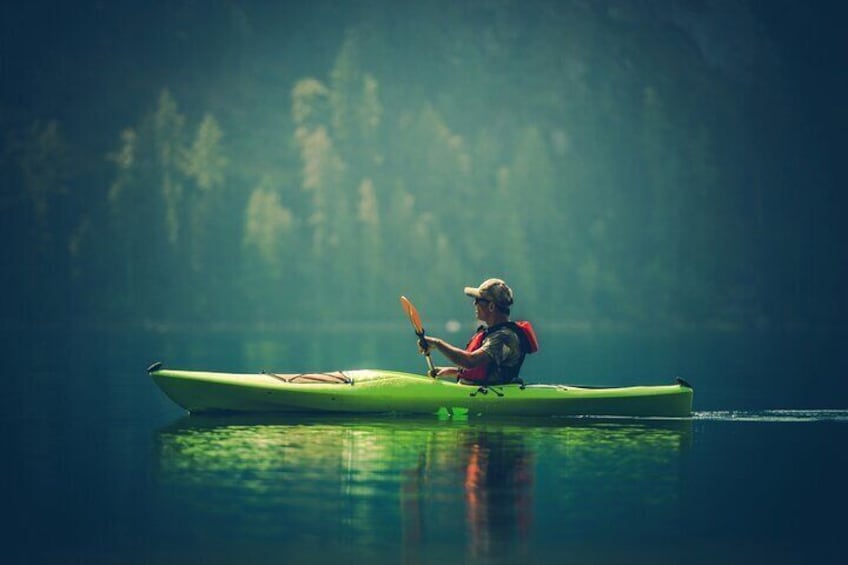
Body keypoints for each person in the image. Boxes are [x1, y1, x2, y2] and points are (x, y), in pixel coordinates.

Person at [422, 278, 538, 386]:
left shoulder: (504, 337)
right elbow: (489, 370)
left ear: (491, 306)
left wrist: (437, 343)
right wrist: (454, 371)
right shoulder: (494, 333)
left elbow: (470, 361)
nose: (474, 304)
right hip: (483, 390)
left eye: (478, 300)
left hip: (493, 395)